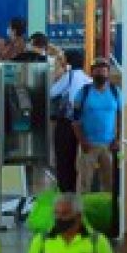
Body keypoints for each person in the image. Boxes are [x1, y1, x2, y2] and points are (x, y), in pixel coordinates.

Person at [73, 57, 121, 195]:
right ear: (92, 73)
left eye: (104, 71)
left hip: (109, 146)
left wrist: (117, 139)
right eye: (97, 71)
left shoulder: (115, 92)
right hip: (88, 145)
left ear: (108, 73)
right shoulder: (83, 93)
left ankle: (109, 213)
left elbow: (121, 117)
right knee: (84, 184)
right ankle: (81, 213)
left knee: (109, 184)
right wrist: (83, 141)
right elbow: (75, 121)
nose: (101, 73)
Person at [49, 49, 91, 193]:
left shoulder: (69, 76)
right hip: (83, 124)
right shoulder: (88, 78)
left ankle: (66, 190)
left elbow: (53, 92)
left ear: (69, 61)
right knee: (76, 158)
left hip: (67, 123)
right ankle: (74, 189)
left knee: (64, 157)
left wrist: (56, 77)